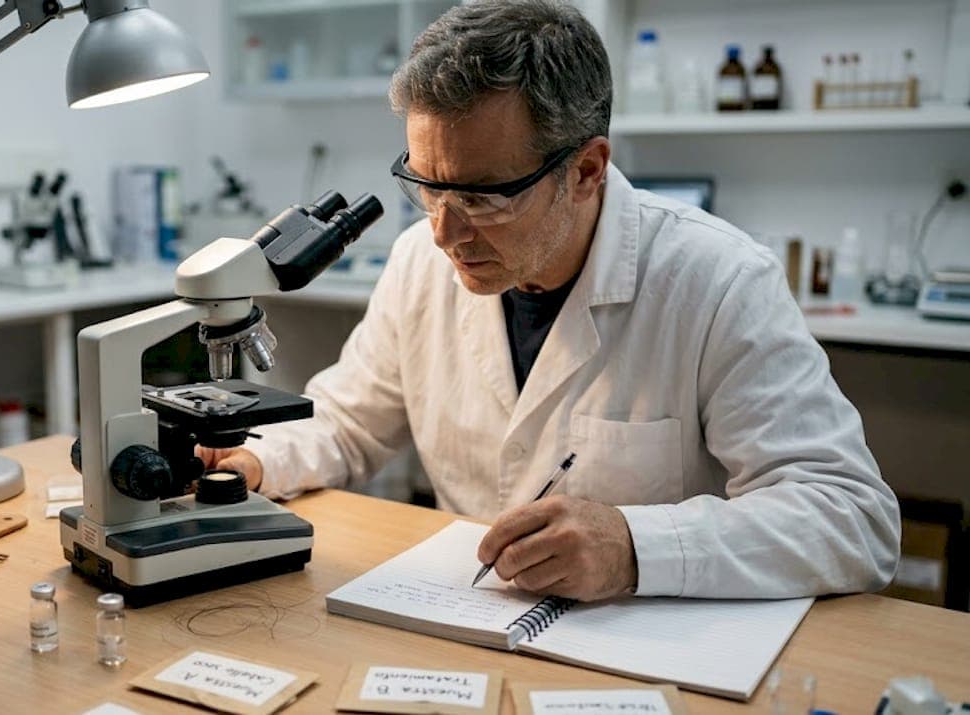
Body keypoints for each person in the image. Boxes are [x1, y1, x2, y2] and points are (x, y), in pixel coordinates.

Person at [199, 0, 900, 601]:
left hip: (640, 649)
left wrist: (635, 545)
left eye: (482, 196)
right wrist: (256, 461)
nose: (444, 232)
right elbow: (349, 423)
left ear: (587, 170)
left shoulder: (717, 281)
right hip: (463, 617)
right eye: (428, 187)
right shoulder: (419, 261)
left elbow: (853, 518)